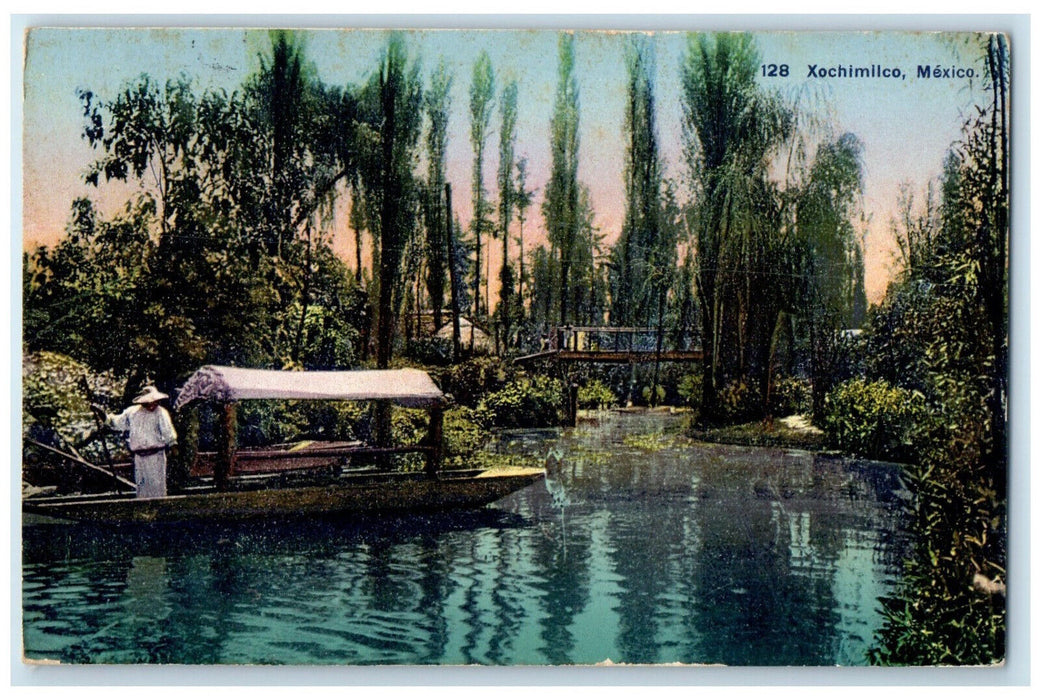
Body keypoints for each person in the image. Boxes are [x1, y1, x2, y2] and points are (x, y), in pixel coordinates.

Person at [93, 386, 177, 498]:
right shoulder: (132, 412)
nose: (152, 405)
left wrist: (172, 445)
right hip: (139, 456)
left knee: (156, 486)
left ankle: (158, 510)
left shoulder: (160, 413)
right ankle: (143, 511)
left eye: (154, 402)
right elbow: (116, 423)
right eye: (148, 402)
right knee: (142, 486)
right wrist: (103, 415)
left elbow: (168, 431)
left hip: (156, 455)